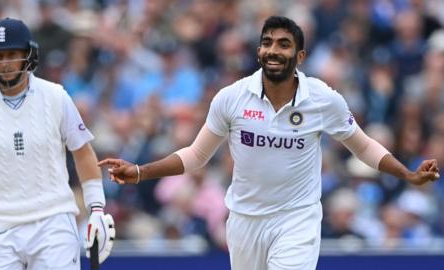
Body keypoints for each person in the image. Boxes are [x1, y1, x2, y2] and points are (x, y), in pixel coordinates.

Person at [99, 16, 440, 270]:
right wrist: (140, 171)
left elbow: (364, 146)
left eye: (283, 44)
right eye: (267, 42)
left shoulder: (323, 99)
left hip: (297, 218)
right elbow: (196, 155)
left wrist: (407, 174)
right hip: (245, 220)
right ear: (259, 49)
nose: (273, 51)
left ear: (301, 57)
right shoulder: (231, 98)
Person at [0, 18, 115, 269]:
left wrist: (96, 208)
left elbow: (83, 153)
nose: (5, 63)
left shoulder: (56, 96)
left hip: (52, 223)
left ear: (29, 55)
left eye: (12, 54)